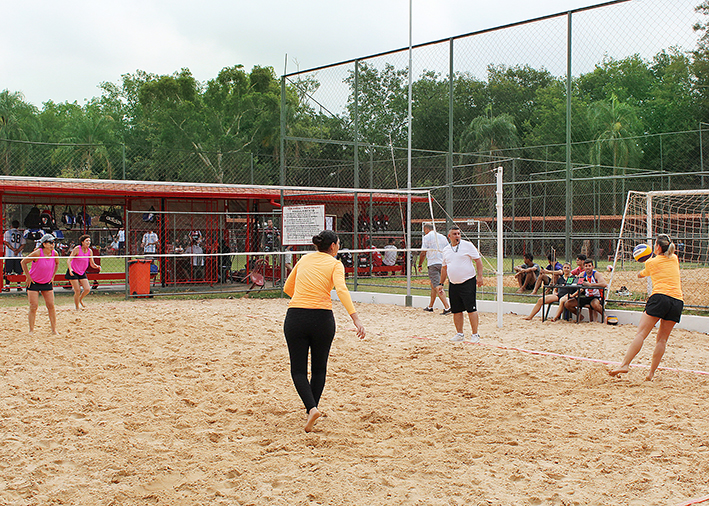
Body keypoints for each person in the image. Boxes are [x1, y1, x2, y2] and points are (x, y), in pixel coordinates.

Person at [283, 230, 365, 432]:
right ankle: (312, 409)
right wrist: (355, 318)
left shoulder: (304, 259)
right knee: (319, 369)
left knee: (298, 370)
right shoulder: (336, 264)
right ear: (334, 246)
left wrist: (303, 298)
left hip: (296, 316)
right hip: (322, 319)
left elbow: (287, 287)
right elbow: (342, 290)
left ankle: (311, 408)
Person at [609, 234, 684, 381]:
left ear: (656, 247)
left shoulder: (651, 263)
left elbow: (642, 274)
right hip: (677, 301)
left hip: (660, 297)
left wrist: (640, 271)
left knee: (641, 334)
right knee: (662, 340)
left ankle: (625, 365)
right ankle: (651, 374)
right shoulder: (674, 259)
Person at [438, 226, 484, 343]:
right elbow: (444, 268)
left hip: (468, 281)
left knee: (471, 308)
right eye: (454, 234)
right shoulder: (446, 250)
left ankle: (475, 334)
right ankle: (459, 333)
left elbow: (478, 261)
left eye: (458, 233)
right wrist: (441, 283)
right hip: (453, 283)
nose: (457, 236)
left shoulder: (467, 245)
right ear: (449, 236)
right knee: (456, 310)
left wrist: (480, 277)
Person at [20, 233, 60, 335]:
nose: (52, 244)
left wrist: (53, 276)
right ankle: (31, 330)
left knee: (51, 305)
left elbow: (57, 263)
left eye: (53, 242)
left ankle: (54, 330)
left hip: (47, 282)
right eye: (50, 242)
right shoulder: (37, 253)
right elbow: (23, 262)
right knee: (33, 306)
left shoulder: (54, 253)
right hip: (34, 282)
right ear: (44, 244)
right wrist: (28, 277)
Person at [418, 223, 451, 314]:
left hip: (433, 263)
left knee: (437, 285)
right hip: (443, 263)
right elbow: (448, 250)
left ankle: (447, 307)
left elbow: (423, 252)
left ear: (426, 229)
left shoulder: (427, 237)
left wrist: (420, 264)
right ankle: (430, 306)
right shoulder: (443, 237)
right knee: (433, 284)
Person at [66, 234, 102, 310]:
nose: (88, 242)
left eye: (89, 241)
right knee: (77, 290)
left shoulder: (90, 251)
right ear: (82, 242)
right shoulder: (77, 249)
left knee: (87, 289)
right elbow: (69, 260)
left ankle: (80, 299)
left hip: (81, 272)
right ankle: (77, 307)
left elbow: (92, 263)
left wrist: (97, 266)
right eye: (86, 241)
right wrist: (70, 269)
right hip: (73, 271)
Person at [4, 219, 26, 292]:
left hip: (9, 255)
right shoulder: (20, 233)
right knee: (18, 271)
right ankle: (18, 286)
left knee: (8, 271)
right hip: (18, 255)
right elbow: (23, 244)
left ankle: (7, 286)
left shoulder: (7, 232)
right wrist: (18, 250)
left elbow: (6, 242)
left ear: (11, 225)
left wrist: (13, 249)